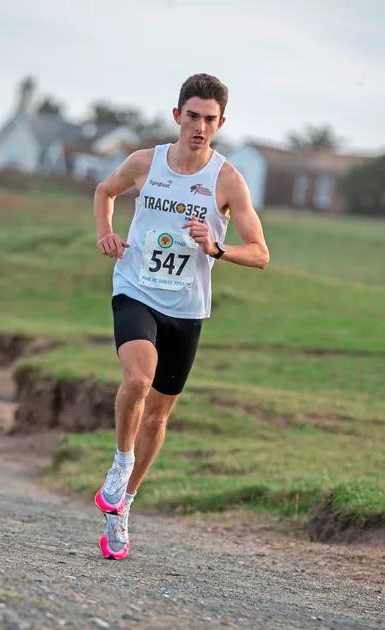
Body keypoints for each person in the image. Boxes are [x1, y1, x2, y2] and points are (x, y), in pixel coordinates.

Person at [91, 73, 270, 560]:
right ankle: (120, 463)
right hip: (136, 289)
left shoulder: (228, 180)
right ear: (176, 115)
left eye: (209, 119)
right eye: (192, 116)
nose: (199, 126)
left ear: (221, 123)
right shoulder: (144, 163)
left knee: (160, 414)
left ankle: (123, 505)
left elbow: (260, 254)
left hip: (186, 307)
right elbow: (104, 192)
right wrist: (107, 232)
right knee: (138, 379)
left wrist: (217, 247)